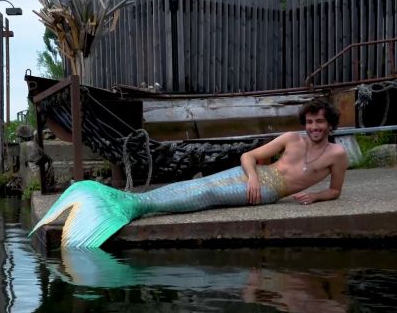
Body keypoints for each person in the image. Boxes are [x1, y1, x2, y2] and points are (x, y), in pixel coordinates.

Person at [30, 99, 349, 248]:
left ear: (330, 124)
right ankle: (127, 203)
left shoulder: (337, 155)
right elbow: (248, 156)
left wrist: (315, 195)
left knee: (207, 194)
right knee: (195, 186)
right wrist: (252, 175)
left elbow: (335, 191)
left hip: (269, 192)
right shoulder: (292, 139)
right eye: (310, 122)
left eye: (320, 122)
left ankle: (130, 207)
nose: (314, 127)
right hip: (256, 181)